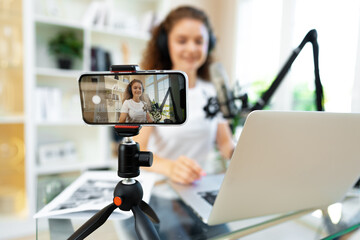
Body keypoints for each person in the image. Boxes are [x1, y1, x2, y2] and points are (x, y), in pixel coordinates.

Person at [135, 6, 235, 184]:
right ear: (167, 44)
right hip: (160, 188)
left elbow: (226, 144)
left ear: (208, 45)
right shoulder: (152, 90)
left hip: (197, 187)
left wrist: (244, 154)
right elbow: (136, 152)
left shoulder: (212, 91)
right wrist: (171, 168)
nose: (191, 48)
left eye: (199, 41)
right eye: (182, 41)